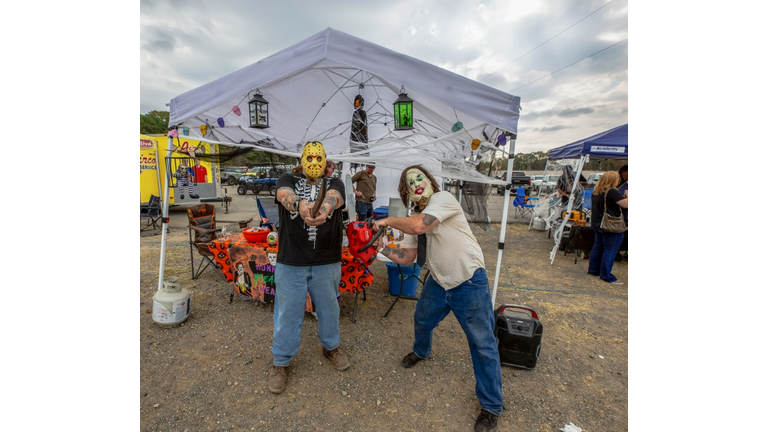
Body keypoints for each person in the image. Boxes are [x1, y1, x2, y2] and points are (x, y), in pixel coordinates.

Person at [371, 165, 504, 432]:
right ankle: (421, 351)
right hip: (439, 281)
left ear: (431, 181)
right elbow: (408, 258)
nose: (417, 183)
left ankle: (491, 406)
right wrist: (383, 248)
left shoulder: (443, 200)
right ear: (407, 192)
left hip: (468, 279)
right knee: (421, 318)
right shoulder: (414, 218)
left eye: (420, 177)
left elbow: (422, 225)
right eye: (411, 183)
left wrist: (387, 220)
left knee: (482, 344)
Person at [268, 141, 349, 394]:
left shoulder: (335, 183)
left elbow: (335, 198)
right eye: (309, 159)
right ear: (302, 161)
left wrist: (323, 209)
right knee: (287, 313)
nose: (314, 164)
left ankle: (331, 347)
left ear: (325, 162)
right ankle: (281, 362)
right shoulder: (287, 179)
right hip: (292, 259)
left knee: (329, 309)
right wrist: (300, 206)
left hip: (326, 259)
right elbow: (284, 195)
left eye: (319, 159)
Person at [588, 171, 628, 284]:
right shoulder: (612, 192)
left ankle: (593, 270)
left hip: (598, 224)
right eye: (617, 179)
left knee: (597, 248)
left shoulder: (596, 191)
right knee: (610, 250)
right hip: (610, 225)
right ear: (612, 181)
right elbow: (626, 204)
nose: (618, 181)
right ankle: (606, 275)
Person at [615, 165, 628, 261]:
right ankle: (618, 251)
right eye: (623, 172)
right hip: (621, 215)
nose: (625, 174)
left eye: (627, 172)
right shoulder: (620, 185)